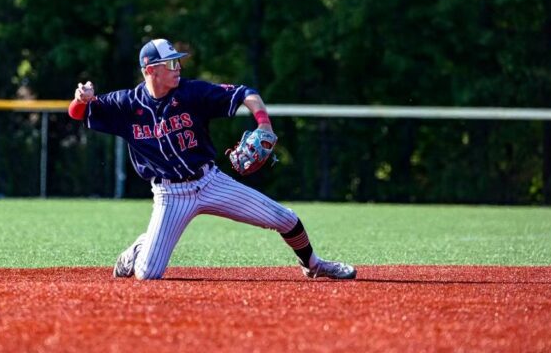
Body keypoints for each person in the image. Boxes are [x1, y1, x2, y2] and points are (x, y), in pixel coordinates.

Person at [67, 38, 356, 281]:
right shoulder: (125, 104)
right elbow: (77, 114)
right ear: (150, 70)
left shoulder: (191, 92)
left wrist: (264, 125)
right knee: (147, 274)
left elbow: (246, 93)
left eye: (178, 61)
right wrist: (82, 99)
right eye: (170, 63)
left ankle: (314, 265)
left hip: (210, 182)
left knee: (286, 219)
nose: (178, 67)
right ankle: (140, 248)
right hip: (170, 195)